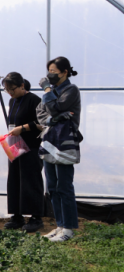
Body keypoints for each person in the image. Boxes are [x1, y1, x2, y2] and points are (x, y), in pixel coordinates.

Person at [37, 57, 81, 242]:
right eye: (49, 71)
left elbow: (57, 107)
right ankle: (60, 226)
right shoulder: (53, 91)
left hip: (64, 143)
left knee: (64, 186)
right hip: (49, 141)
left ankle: (68, 229)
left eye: (54, 71)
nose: (50, 75)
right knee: (53, 187)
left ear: (64, 72)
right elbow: (40, 112)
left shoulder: (71, 90)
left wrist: (47, 91)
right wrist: (52, 119)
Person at [1, 72, 44, 232]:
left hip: (31, 145)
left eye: (12, 89)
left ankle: (36, 217)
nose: (10, 93)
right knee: (14, 179)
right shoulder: (12, 101)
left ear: (22, 86)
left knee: (31, 180)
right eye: (7, 90)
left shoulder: (34, 100)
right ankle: (17, 215)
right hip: (15, 145)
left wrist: (24, 128)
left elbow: (42, 123)